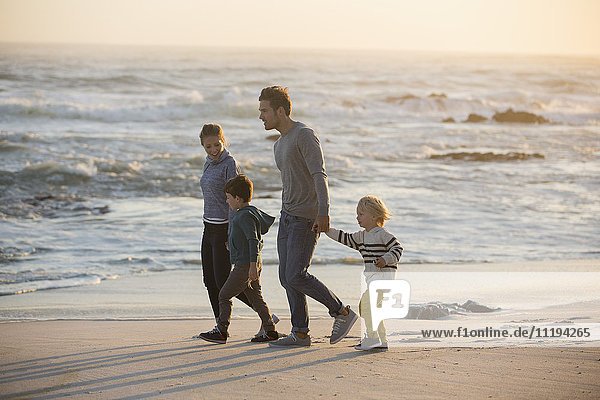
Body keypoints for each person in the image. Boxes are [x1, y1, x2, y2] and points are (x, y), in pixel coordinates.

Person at [258, 86, 358, 347]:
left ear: (280, 110)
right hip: (287, 216)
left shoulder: (304, 135)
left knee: (296, 274)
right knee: (285, 276)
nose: (261, 116)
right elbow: (290, 182)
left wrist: (324, 212)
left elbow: (319, 175)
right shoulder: (278, 144)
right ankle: (300, 332)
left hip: (306, 218)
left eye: (265, 110)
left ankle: (342, 312)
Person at [196, 123, 277, 339]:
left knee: (225, 283)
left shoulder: (229, 164)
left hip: (224, 228)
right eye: (208, 147)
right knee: (209, 280)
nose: (213, 150)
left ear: (224, 141)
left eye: (217, 144)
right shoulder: (208, 163)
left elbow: (237, 200)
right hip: (208, 227)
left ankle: (261, 318)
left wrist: (231, 234)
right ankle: (219, 325)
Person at [325, 195, 403, 350]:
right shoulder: (361, 237)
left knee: (367, 307)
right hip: (372, 281)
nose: (357, 217)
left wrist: (385, 259)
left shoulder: (382, 234)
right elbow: (344, 238)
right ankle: (381, 340)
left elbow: (398, 249)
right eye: (357, 214)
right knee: (372, 309)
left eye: (361, 214)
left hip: (384, 281)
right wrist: (326, 229)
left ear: (374, 215)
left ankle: (373, 339)